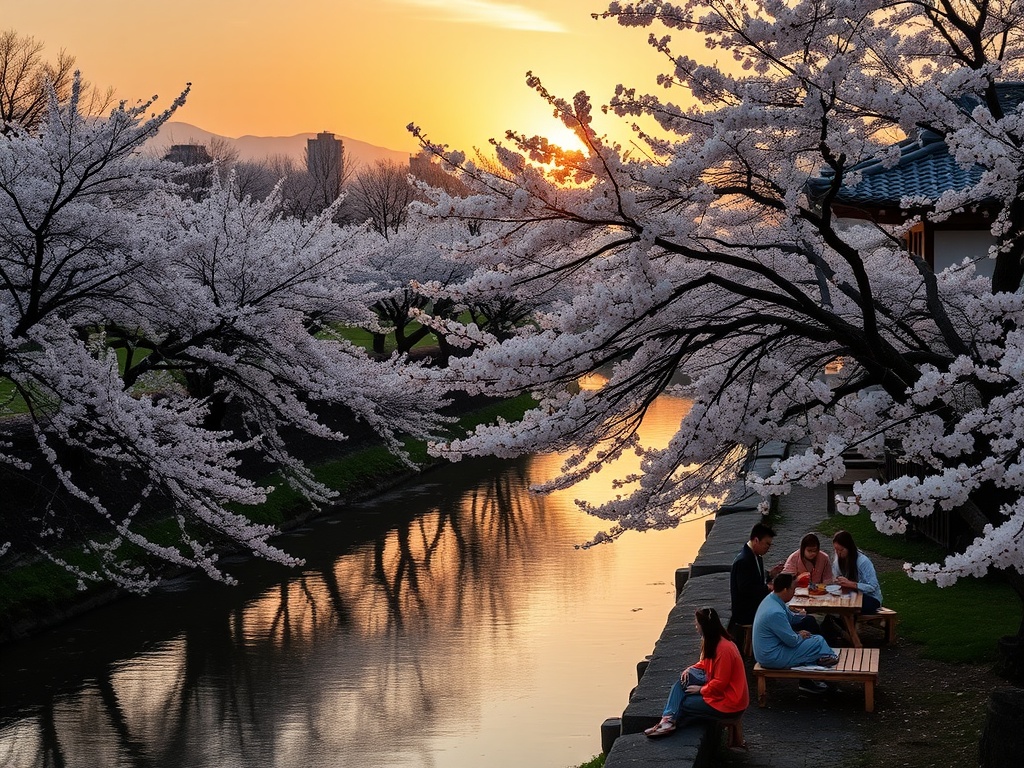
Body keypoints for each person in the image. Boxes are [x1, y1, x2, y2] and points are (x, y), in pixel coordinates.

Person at [644, 607, 749, 742]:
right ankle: (668, 720)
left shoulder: (724, 650)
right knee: (681, 683)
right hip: (722, 694)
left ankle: (669, 721)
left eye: (697, 624)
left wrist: (701, 690)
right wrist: (690, 669)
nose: (695, 627)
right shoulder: (715, 641)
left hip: (730, 702)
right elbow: (706, 663)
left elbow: (720, 683)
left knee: (684, 702)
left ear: (704, 627)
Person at [752, 573, 840, 694]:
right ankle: (826, 659)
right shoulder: (775, 612)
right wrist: (800, 635)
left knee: (811, 632)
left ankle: (820, 663)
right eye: (793, 589)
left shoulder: (772, 599)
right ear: (785, 590)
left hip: (771, 650)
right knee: (817, 640)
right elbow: (792, 641)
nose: (794, 592)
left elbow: (791, 618)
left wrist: (801, 616)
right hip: (772, 656)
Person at [729, 522, 784, 630]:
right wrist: (767, 588)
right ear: (756, 540)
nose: (768, 548)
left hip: (756, 607)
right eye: (767, 544)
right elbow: (745, 589)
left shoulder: (756, 556)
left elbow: (754, 580)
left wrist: (769, 575)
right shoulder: (744, 560)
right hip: (747, 614)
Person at [831, 530, 883, 614]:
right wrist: (838, 580)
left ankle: (848, 625)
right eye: (836, 550)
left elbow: (872, 586)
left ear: (848, 547)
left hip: (870, 598)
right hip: (851, 594)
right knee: (835, 600)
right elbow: (836, 575)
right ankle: (844, 624)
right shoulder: (838, 561)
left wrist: (851, 584)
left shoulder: (863, 561)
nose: (838, 553)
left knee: (847, 604)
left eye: (841, 550)